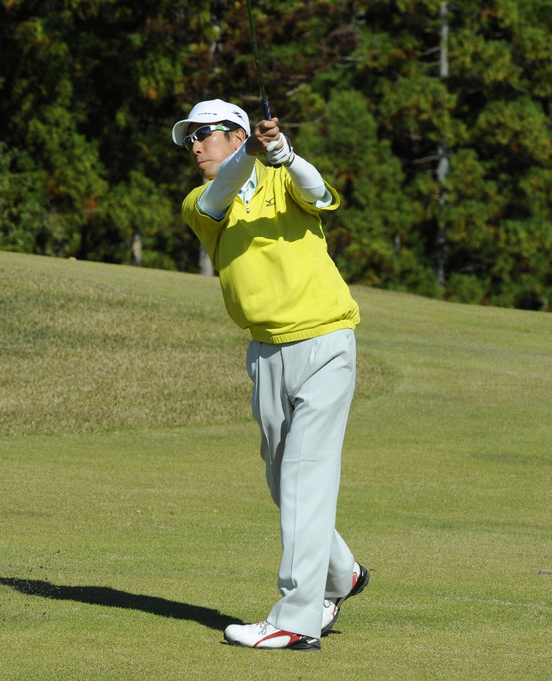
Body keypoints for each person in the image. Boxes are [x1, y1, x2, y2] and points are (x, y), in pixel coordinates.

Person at [172, 99, 369, 651]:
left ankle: (296, 620)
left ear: (238, 134)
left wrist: (285, 154)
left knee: (305, 477)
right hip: (265, 355)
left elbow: (319, 192)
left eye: (205, 133)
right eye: (189, 138)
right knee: (284, 480)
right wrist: (255, 154)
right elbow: (220, 193)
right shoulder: (200, 201)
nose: (194, 145)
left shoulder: (286, 178)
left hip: (325, 341)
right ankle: (343, 573)